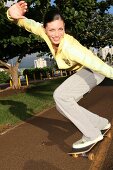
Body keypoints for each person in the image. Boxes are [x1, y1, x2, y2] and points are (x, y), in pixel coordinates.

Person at [7, 1, 112, 149]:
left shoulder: (71, 48)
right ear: (45, 29)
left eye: (60, 29)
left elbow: (97, 64)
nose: (56, 35)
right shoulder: (42, 31)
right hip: (84, 72)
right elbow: (28, 24)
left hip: (93, 71)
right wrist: (12, 16)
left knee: (60, 96)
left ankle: (92, 134)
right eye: (52, 30)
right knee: (62, 106)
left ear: (64, 28)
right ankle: (101, 123)